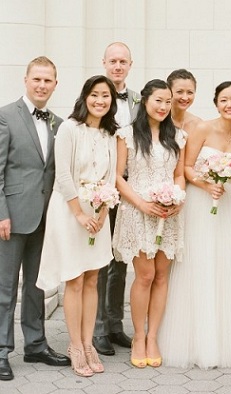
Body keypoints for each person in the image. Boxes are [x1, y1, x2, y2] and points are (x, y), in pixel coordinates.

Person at [159, 81, 231, 368]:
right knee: (200, 267)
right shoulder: (202, 129)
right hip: (201, 205)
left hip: (229, 205)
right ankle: (198, 342)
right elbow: (184, 167)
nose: (229, 105)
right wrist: (206, 184)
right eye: (224, 100)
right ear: (216, 103)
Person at [36, 75, 118, 376]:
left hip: (99, 213)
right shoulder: (69, 128)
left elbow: (111, 177)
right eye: (95, 95)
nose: (100, 101)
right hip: (71, 211)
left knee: (93, 277)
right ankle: (75, 345)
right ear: (85, 97)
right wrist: (81, 214)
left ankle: (88, 343)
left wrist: (103, 210)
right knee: (75, 278)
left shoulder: (111, 133)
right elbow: (64, 175)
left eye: (106, 96)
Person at [0, 56, 70, 381]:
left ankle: (36, 344)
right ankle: (1, 350)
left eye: (48, 81)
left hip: (45, 217)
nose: (42, 85)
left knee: (37, 285)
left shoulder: (58, 122)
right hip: (11, 218)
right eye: (37, 79)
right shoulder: (5, 116)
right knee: (4, 287)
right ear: (26, 80)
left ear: (55, 84)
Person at [112, 79, 186, 369]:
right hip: (137, 210)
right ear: (144, 101)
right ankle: (138, 336)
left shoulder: (178, 136)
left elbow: (179, 175)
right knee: (144, 275)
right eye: (159, 100)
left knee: (161, 276)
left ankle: (154, 336)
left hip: (168, 213)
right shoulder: (127, 135)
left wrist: (177, 198)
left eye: (168, 101)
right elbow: (118, 177)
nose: (164, 106)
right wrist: (142, 203)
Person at [94, 42, 139, 356]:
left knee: (121, 260)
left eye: (123, 61)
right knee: (100, 261)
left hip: (130, 187)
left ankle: (114, 325)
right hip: (101, 188)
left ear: (130, 64)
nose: (118, 66)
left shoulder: (138, 100)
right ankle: (97, 330)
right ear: (104, 63)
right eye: (113, 61)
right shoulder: (93, 97)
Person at [167, 69, 202, 135]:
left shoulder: (198, 125)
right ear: (169, 92)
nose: (185, 98)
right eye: (179, 92)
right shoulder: (158, 121)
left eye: (190, 92)